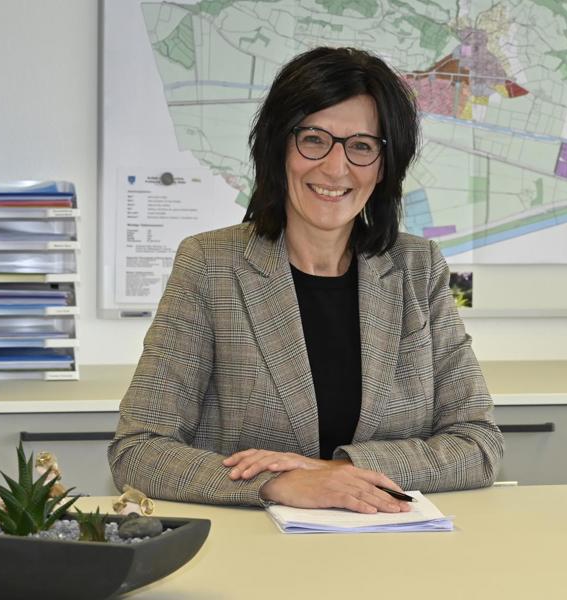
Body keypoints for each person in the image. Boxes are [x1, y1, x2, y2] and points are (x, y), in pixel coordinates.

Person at [108, 47, 504, 514]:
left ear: (383, 166)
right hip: (256, 553)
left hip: (392, 551)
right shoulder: (209, 264)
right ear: (279, 148)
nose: (335, 169)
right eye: (314, 139)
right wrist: (277, 484)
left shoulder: (419, 267)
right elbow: (139, 451)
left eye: (361, 146)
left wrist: (337, 471)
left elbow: (478, 446)